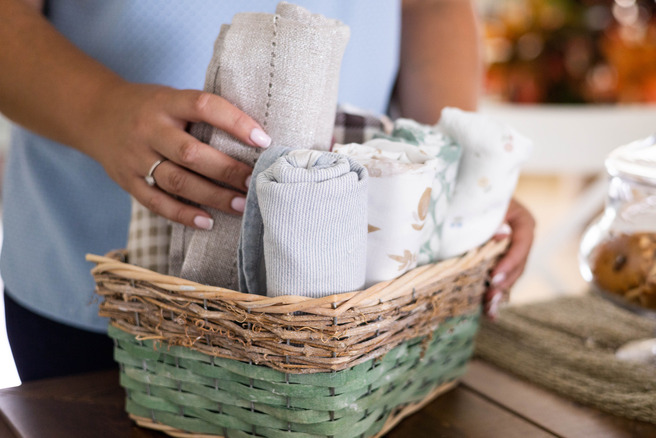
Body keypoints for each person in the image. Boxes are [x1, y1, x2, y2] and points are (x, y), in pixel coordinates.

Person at [0, 0, 534, 381]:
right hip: (88, 270)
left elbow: (429, 8)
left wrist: (448, 180)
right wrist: (101, 112)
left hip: (360, 310)